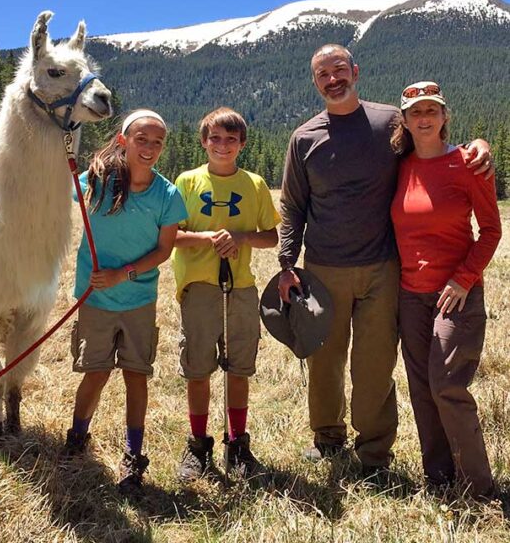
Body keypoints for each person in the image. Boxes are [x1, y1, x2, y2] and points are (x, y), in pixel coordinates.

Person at [277, 44, 493, 478]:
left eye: (340, 69)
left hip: (382, 268)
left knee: (375, 364)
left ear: (356, 71)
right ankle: (328, 438)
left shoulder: (390, 122)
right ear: (315, 83)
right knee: (324, 358)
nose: (333, 79)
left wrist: (478, 146)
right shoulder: (304, 138)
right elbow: (292, 206)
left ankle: (374, 453)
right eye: (323, 74)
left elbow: (434, 143)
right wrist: (287, 262)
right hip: (322, 268)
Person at [64, 109, 187, 496]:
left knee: (136, 375)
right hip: (95, 299)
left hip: (137, 299)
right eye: (142, 139)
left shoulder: (167, 194)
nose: (149, 148)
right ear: (123, 140)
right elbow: (54, 192)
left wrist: (124, 273)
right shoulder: (97, 182)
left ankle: (134, 456)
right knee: (96, 373)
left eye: (157, 142)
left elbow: (165, 249)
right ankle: (77, 438)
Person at [390, 82, 501, 498]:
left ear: (444, 116)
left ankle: (479, 489)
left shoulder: (469, 164)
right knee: (421, 389)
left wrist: (464, 277)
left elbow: (491, 230)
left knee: (447, 386)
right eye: (415, 112)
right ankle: (438, 479)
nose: (424, 118)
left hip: (457, 293)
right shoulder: (398, 168)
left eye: (431, 110)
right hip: (409, 295)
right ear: (404, 119)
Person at [172, 107, 281, 481]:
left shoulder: (254, 184)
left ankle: (237, 444)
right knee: (198, 369)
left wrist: (241, 238)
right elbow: (170, 235)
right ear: (203, 142)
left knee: (239, 369)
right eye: (215, 138)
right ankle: (198, 445)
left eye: (230, 139)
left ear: (242, 144)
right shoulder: (186, 182)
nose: (222, 145)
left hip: (241, 288)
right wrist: (208, 238)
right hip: (199, 287)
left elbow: (272, 235)